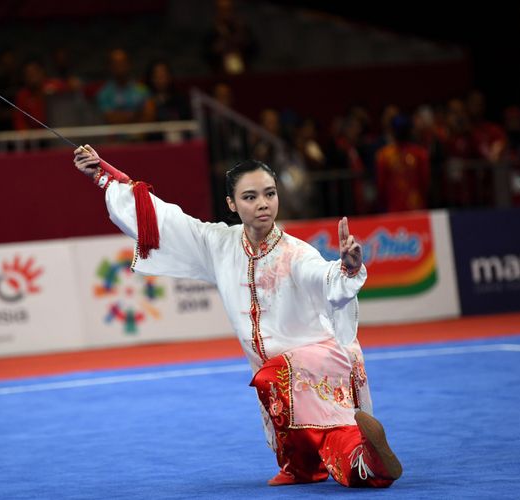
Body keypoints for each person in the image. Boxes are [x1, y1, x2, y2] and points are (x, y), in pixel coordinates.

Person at [73, 146, 402, 488]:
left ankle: (328, 462)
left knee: (272, 380)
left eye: (269, 194)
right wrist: (103, 176)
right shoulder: (219, 243)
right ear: (231, 204)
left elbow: (325, 277)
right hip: (282, 372)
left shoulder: (297, 253)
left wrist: (347, 269)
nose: (263, 203)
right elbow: (166, 222)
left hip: (317, 361)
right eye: (250, 196)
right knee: (329, 437)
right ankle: (361, 466)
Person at [375, 114, 431, 212]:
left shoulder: (384, 155)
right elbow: (425, 182)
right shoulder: (420, 153)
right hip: (408, 206)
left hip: (402, 207)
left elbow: (381, 185)